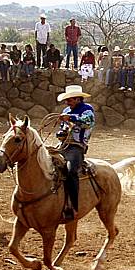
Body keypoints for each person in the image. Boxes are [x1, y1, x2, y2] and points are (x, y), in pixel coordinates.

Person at [56, 85, 95, 221]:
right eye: (67, 100)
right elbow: (63, 129)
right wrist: (61, 133)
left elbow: (88, 122)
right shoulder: (66, 110)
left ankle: (73, 206)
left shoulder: (87, 110)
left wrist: (70, 118)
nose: (67, 102)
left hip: (76, 147)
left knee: (71, 170)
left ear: (78, 99)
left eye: (70, 100)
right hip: (63, 145)